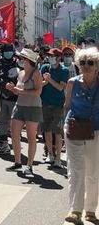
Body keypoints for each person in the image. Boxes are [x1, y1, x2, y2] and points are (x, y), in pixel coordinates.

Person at [63, 47, 99, 225]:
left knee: (93, 171)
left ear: (97, 65)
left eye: (90, 63)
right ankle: (75, 210)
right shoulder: (72, 82)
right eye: (82, 62)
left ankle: (90, 210)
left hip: (96, 130)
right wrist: (65, 127)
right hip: (75, 129)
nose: (85, 66)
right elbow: (67, 106)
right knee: (77, 170)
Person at [6, 48, 43, 176]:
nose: (19, 60)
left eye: (22, 59)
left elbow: (38, 92)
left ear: (29, 61)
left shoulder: (36, 73)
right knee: (14, 134)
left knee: (31, 137)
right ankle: (17, 162)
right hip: (19, 105)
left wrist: (19, 91)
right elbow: (17, 90)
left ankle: (30, 165)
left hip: (33, 107)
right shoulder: (20, 73)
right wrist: (12, 88)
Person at [40, 48, 69, 169]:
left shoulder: (64, 70)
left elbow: (60, 87)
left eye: (53, 56)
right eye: (49, 56)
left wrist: (49, 79)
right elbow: (40, 84)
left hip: (58, 104)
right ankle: (50, 155)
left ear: (58, 58)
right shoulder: (44, 68)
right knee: (47, 130)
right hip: (45, 103)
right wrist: (45, 82)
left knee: (57, 132)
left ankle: (58, 159)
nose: (50, 58)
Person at [0, 43, 20, 154]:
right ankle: (3, 144)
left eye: (10, 50)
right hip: (2, 97)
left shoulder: (18, 62)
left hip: (15, 97)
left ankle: (16, 145)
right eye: (6, 51)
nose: (8, 53)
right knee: (2, 121)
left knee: (14, 123)